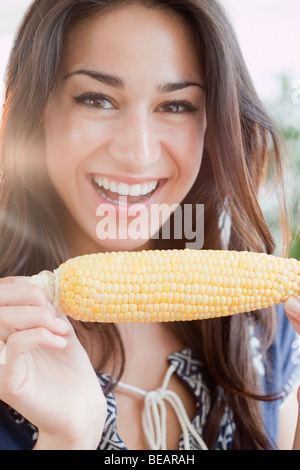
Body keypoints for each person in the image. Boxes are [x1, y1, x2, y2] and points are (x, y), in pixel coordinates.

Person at [0, 0, 299, 451]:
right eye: (96, 99)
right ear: (33, 113)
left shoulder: (264, 330)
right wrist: (67, 438)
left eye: (176, 105)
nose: (138, 153)